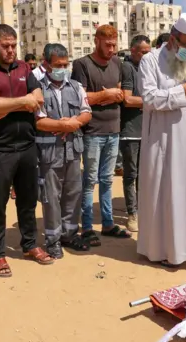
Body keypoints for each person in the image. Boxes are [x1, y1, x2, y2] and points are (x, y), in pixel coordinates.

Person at [0, 24, 54, 277]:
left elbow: (38, 99)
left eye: (13, 45)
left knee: (29, 201)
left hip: (27, 146)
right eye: (5, 46)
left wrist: (4, 107)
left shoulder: (24, 68)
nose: (10, 50)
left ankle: (29, 245)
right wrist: (22, 102)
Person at [138, 13, 186, 267]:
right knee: (164, 192)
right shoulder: (150, 61)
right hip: (162, 139)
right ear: (172, 38)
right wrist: (183, 91)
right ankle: (161, 250)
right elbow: (149, 98)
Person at [71, 24, 132, 246]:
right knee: (90, 180)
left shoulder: (118, 63)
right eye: (108, 44)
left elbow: (123, 94)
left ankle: (107, 223)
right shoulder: (82, 64)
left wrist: (106, 96)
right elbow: (79, 97)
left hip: (113, 130)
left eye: (114, 44)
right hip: (92, 132)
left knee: (107, 180)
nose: (112, 48)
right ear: (96, 40)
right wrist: (104, 95)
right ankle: (86, 227)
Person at [35, 44, 91, 258]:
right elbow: (39, 121)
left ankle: (69, 234)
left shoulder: (76, 86)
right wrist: (62, 125)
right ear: (46, 64)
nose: (62, 69)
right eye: (58, 65)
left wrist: (74, 122)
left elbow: (87, 112)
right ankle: (53, 240)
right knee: (51, 197)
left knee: (73, 194)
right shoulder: (38, 88)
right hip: (50, 153)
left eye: (65, 65)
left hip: (72, 151)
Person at [120, 35, 150, 232]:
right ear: (133, 51)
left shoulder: (147, 68)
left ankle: (143, 210)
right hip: (130, 131)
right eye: (143, 52)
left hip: (147, 129)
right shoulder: (127, 68)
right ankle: (132, 213)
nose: (147, 56)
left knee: (144, 175)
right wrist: (153, 101)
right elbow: (128, 100)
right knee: (131, 174)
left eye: (149, 52)